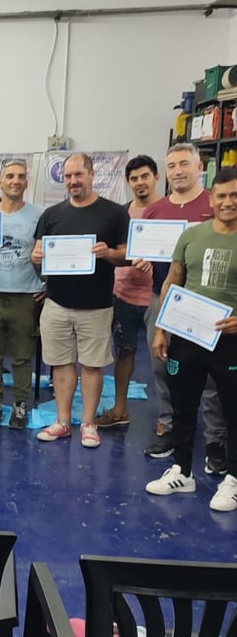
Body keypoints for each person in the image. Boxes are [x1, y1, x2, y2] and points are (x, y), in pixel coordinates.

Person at [145, 167, 237, 512]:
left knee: (233, 410)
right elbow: (173, 281)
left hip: (230, 339)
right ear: (211, 199)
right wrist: (161, 327)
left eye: (235, 195)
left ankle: (233, 479)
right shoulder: (192, 236)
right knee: (182, 406)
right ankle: (182, 471)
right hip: (188, 334)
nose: (228, 202)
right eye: (222, 195)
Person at [137, 143, 227, 472]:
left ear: (199, 167)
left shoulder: (216, 204)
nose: (178, 171)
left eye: (184, 164)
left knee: (213, 378)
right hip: (164, 298)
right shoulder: (155, 210)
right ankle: (169, 427)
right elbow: (148, 253)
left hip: (210, 304)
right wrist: (143, 260)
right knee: (163, 367)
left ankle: (216, 440)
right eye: (172, 165)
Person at [31, 153, 129, 448]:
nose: (73, 181)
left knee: (91, 365)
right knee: (61, 364)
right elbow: (37, 254)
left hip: (96, 305)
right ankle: (62, 421)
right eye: (68, 176)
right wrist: (36, 257)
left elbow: (127, 255)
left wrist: (108, 253)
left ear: (91, 174)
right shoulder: (51, 215)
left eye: (78, 175)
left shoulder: (114, 213)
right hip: (57, 303)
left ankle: (88, 423)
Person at [0, 159, 44, 430]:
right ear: (0, 181)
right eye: (10, 176)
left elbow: (50, 254)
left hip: (25, 294)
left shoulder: (40, 215)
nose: (15, 180)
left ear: (27, 181)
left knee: (22, 355)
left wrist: (47, 285)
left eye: (21, 176)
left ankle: (20, 404)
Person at [95, 155, 157, 429]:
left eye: (145, 176)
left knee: (164, 358)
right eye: (134, 178)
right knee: (124, 353)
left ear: (155, 177)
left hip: (159, 296)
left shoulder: (166, 211)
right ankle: (120, 409)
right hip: (123, 294)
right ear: (128, 182)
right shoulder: (120, 213)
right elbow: (111, 250)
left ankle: (168, 418)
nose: (140, 182)